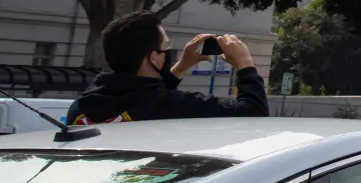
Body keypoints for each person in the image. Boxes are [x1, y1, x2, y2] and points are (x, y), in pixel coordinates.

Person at [67, 10, 270, 124]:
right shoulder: (171, 105)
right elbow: (254, 113)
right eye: (166, 48)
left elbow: (144, 95)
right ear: (154, 58)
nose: (169, 53)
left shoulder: (81, 107)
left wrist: (182, 66)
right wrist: (246, 65)